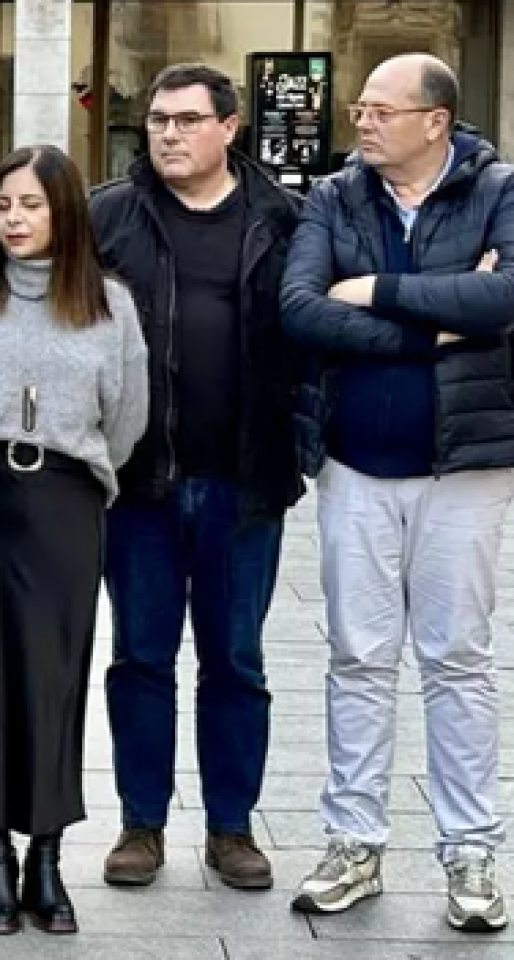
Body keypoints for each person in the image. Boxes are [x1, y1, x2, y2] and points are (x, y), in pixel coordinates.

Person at [280, 53, 514, 931]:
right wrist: (433, 330)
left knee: (458, 659)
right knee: (358, 657)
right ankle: (354, 844)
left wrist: (375, 290)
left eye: (381, 109)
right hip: (354, 466)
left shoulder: (499, 191)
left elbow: (505, 302)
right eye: (360, 108)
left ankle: (471, 854)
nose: (362, 121)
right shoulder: (336, 198)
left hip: (466, 468)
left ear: (435, 121)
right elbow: (300, 308)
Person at [0, 144, 148, 936]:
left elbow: (128, 419)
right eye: (5, 205)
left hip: (66, 506)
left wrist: (77, 467)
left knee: (53, 681)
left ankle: (47, 857)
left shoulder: (109, 303)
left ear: (65, 211)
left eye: (32, 205)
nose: (14, 219)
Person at [90, 63, 303, 892]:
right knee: (140, 658)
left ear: (230, 126)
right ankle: (140, 825)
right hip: (138, 485)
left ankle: (231, 828)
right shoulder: (110, 215)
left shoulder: (283, 219)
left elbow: (319, 326)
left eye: (186, 120)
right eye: (158, 120)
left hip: (245, 485)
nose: (168, 134)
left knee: (235, 662)